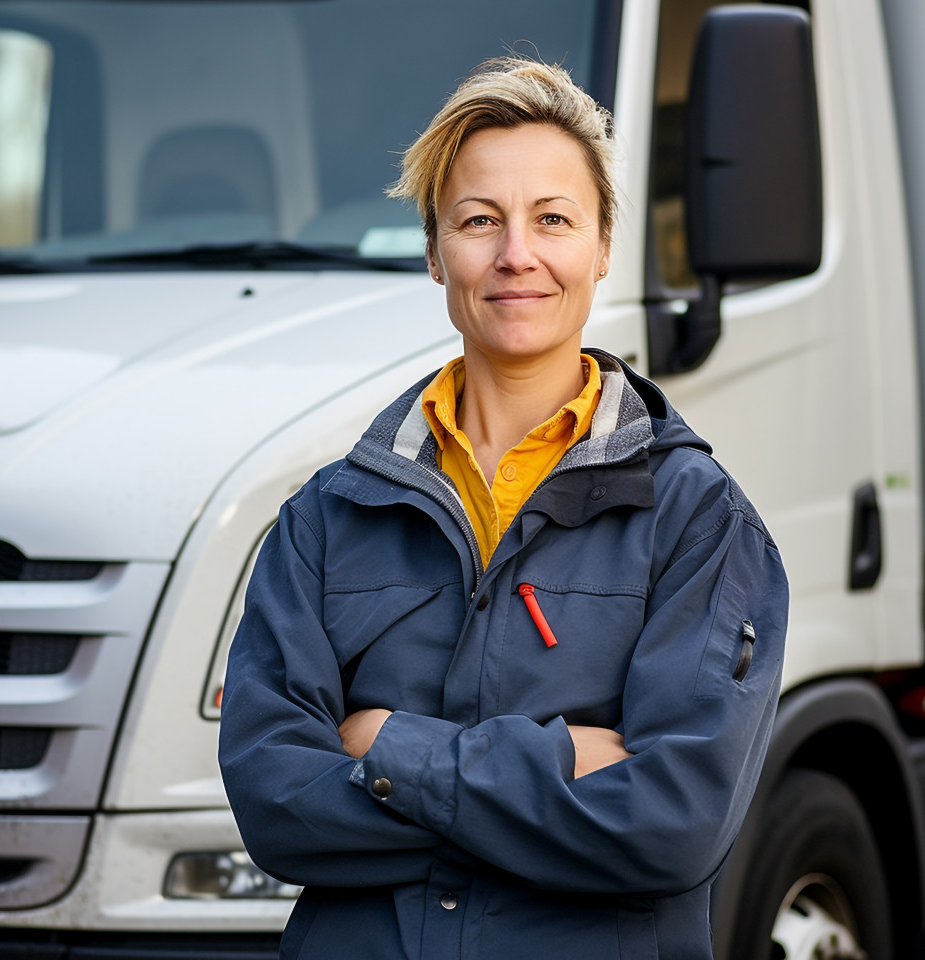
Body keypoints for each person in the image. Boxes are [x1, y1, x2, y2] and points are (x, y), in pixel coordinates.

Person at [218, 58, 787, 960]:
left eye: (552, 220)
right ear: (436, 252)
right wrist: (569, 763)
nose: (516, 254)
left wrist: (386, 751)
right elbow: (276, 809)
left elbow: (673, 825)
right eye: (480, 221)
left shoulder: (699, 522)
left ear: (602, 247)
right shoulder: (325, 518)